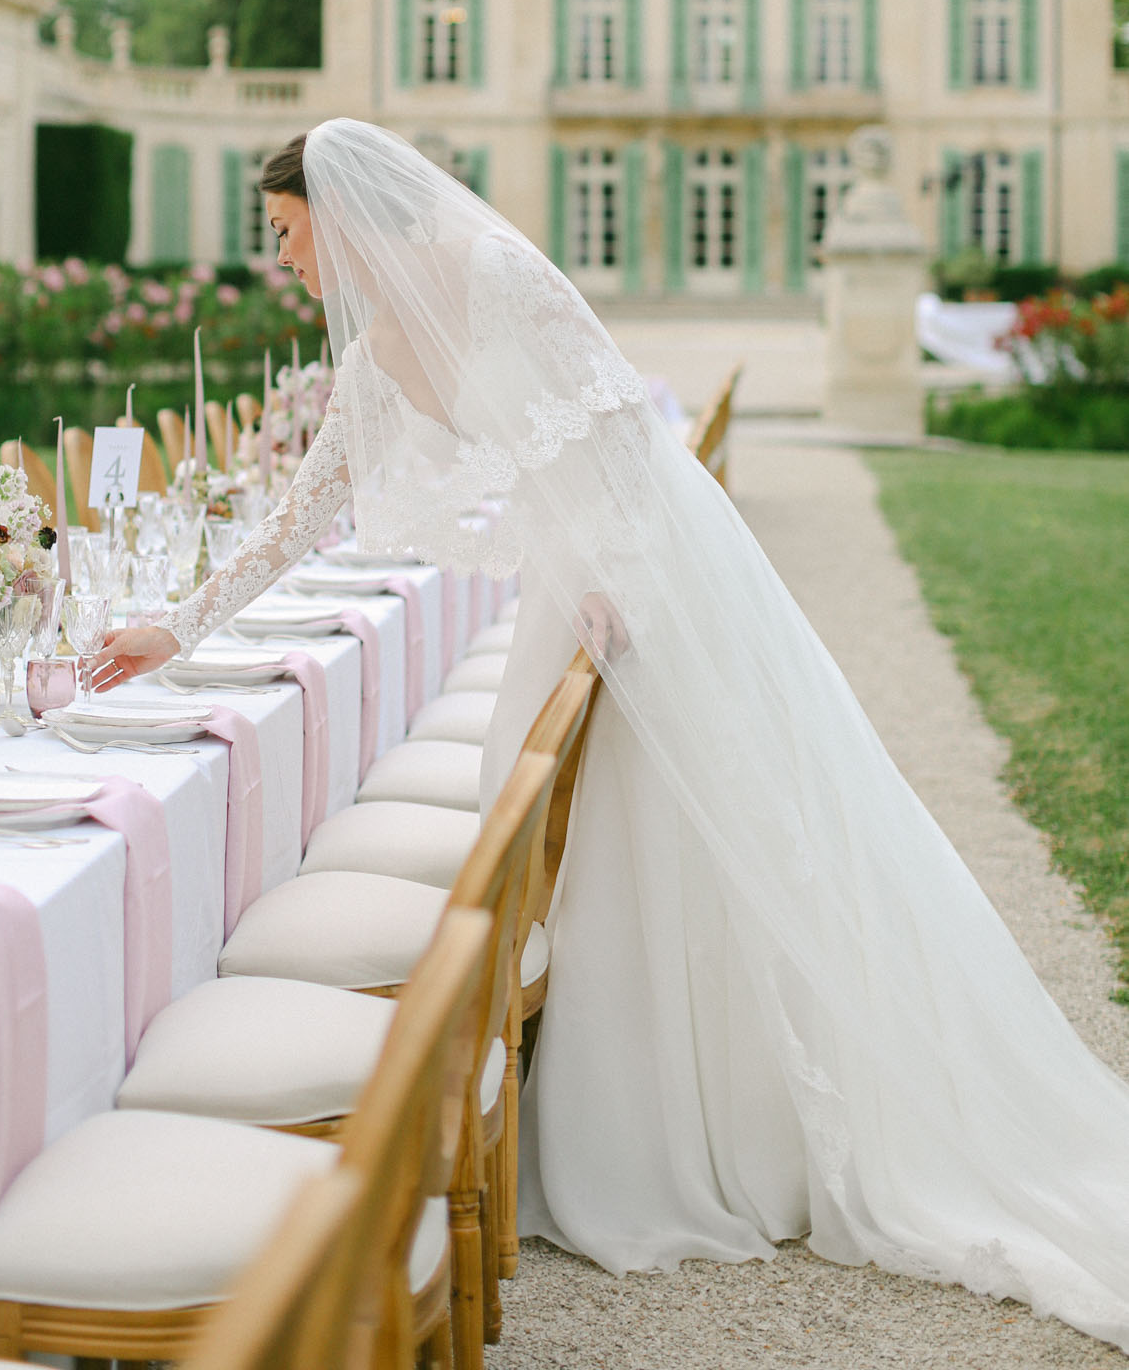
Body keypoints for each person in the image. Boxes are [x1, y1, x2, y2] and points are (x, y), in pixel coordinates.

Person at [99, 117, 1129, 1352]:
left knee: (674, 840)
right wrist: (179, 628)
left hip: (639, 581)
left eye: (286, 235)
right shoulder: (378, 350)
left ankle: (712, 1129)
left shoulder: (491, 272)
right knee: (557, 840)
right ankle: (613, 1120)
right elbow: (295, 516)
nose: (285, 263)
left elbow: (623, 430)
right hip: (568, 583)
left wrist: (620, 579)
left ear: (341, 211)